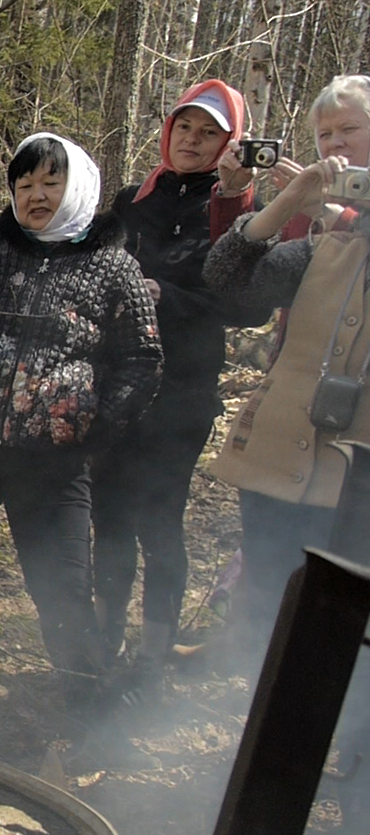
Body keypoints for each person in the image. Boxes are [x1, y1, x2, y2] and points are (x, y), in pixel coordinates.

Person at [0, 134, 161, 698]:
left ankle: (83, 699)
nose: (36, 196)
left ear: (80, 187)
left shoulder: (114, 269)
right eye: (24, 185)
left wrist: (95, 429)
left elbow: (141, 361)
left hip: (51, 460)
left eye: (50, 182)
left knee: (63, 582)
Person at [90, 81, 261, 667]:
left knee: (159, 522)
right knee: (108, 516)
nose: (192, 140)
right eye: (184, 127)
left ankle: (155, 651)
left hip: (182, 391)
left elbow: (244, 305)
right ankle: (105, 635)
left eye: (208, 132)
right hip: (114, 386)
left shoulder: (239, 211)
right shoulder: (132, 200)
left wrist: (164, 298)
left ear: (229, 141)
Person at [204, 75, 370, 659]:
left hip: (357, 485)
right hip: (278, 462)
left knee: (343, 633)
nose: (337, 146)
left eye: (351, 129)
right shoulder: (324, 246)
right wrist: (284, 204)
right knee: (270, 613)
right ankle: (258, 737)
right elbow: (228, 286)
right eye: (326, 134)